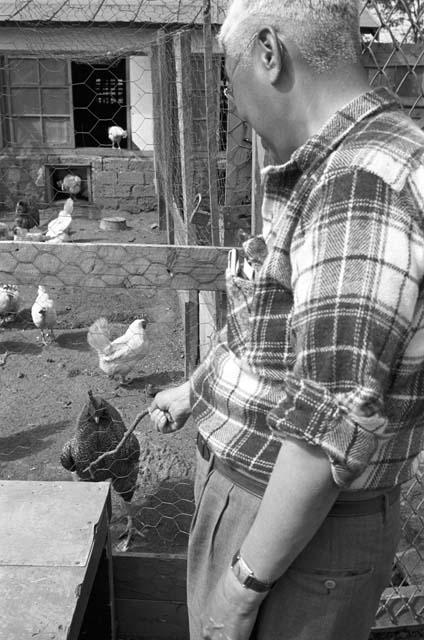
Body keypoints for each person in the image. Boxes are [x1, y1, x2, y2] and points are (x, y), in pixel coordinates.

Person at [149, 1, 424, 638]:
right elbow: (280, 329)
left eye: (229, 75)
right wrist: (197, 389)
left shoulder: (360, 184)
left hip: (291, 534)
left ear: (269, 53)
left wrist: (240, 590)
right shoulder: (335, 165)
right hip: (271, 512)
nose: (235, 105)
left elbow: (327, 426)